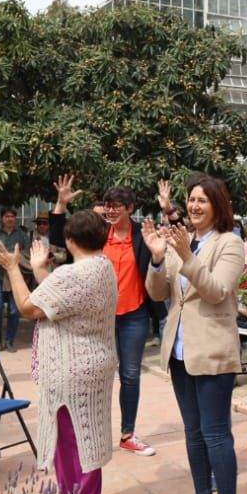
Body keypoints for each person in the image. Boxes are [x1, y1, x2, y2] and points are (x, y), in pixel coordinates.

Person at [0, 209, 117, 494]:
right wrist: (40, 270)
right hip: (91, 365)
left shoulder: (73, 274)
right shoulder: (103, 267)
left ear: (70, 240)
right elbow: (60, 302)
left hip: (72, 371)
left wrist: (13, 269)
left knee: (76, 445)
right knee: (81, 440)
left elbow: (29, 307)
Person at [143, 174, 247, 494]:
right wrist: (157, 258)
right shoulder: (180, 243)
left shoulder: (229, 243)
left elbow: (217, 292)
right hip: (180, 352)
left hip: (213, 351)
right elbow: (157, 293)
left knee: (216, 433)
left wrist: (186, 255)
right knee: (193, 433)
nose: (194, 205)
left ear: (218, 205)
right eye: (191, 199)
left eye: (202, 199)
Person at [50, 176, 166, 457]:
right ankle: (88, 431)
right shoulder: (99, 234)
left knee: (130, 375)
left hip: (134, 316)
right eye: (108, 206)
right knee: (93, 374)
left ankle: (128, 433)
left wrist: (166, 208)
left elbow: (166, 243)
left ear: (130, 208)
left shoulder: (142, 234)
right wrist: (60, 204)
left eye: (117, 207)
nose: (111, 211)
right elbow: (58, 238)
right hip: (97, 317)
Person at [0, 208, 31, 351]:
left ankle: (10, 341)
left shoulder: (22, 236)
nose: (10, 218)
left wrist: (14, 258)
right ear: (2, 218)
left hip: (15, 276)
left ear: (15, 218)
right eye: (7, 216)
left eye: (12, 216)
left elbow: (27, 254)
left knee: (14, 310)